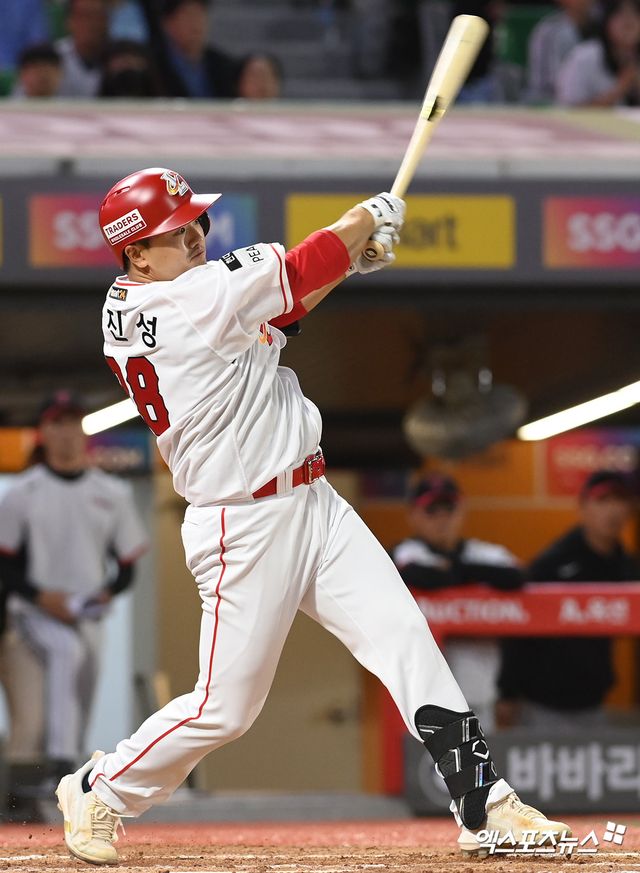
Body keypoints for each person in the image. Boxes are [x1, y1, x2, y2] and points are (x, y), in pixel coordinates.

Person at [55, 167, 568, 865]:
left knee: (403, 634)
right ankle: (101, 786)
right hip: (243, 523)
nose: (197, 235)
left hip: (313, 500)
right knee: (224, 707)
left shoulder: (153, 298)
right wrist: (363, 220)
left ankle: (485, 801)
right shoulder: (186, 301)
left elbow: (280, 310)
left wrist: (350, 260)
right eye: (176, 231)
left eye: (197, 221)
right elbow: (297, 272)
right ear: (137, 253)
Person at [0, 391, 148, 820]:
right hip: (29, 613)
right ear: (43, 432)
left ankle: (62, 794)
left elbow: (126, 566)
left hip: (84, 613)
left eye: (73, 423)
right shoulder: (22, 492)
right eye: (58, 423)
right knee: (31, 722)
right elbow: (6, 564)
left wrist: (106, 592)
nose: (67, 432)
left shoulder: (111, 492)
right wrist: (40, 596)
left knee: (79, 705)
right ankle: (24, 803)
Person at [496, 470, 639, 731]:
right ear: (583, 507)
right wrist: (507, 692)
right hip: (542, 703)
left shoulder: (626, 566)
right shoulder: (554, 562)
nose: (613, 510)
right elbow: (517, 624)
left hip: (593, 702)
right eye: (602, 500)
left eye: (620, 500)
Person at [392, 473, 523, 728]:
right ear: (413, 515)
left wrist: (457, 570)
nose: (442, 519)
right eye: (432, 511)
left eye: (449, 509)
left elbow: (517, 576)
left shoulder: (484, 553)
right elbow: (421, 574)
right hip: (423, 702)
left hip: (480, 696)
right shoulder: (407, 552)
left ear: (461, 511)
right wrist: (469, 575)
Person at [555, 0, 640, 105]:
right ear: (606, 20)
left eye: (635, 14)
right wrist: (620, 89)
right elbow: (568, 108)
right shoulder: (584, 57)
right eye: (620, 14)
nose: (628, 21)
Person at [154, 0, 241, 98]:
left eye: (200, 14)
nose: (196, 23)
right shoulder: (153, 66)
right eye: (188, 16)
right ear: (167, 23)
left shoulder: (223, 65)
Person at [526, 0, 599, 104]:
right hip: (549, 102)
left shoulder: (601, 24)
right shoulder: (551, 31)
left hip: (591, 101)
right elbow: (555, 86)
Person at [55, 0, 111, 98]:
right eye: (84, 16)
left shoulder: (119, 58)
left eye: (97, 16)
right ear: (69, 21)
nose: (92, 23)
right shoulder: (54, 56)